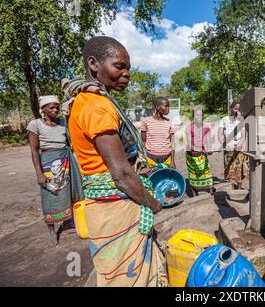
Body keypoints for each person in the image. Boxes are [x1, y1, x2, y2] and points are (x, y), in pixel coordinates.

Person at [63, 36, 167, 287]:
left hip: (104, 206)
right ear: (94, 64)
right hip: (115, 206)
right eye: (119, 66)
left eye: (128, 68)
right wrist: (152, 203)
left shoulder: (88, 101)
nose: (126, 74)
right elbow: (121, 174)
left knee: (117, 273)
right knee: (130, 277)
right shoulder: (96, 106)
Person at [27, 95, 74, 246]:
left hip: (64, 161)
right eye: (51, 107)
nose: (55, 110)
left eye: (57, 107)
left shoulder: (63, 123)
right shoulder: (35, 124)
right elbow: (34, 151)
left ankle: (66, 224)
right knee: (49, 195)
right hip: (47, 162)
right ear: (43, 109)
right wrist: (39, 174)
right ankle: (52, 231)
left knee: (66, 192)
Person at [140, 97, 175, 173]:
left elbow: (172, 143)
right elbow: (143, 142)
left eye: (169, 106)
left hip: (167, 158)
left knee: (165, 179)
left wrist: (172, 161)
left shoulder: (169, 122)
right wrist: (144, 161)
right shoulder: (146, 121)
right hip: (151, 158)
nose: (168, 108)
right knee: (153, 180)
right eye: (166, 106)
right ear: (157, 107)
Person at [219, 101, 249, 190]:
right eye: (235, 108)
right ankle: (232, 188)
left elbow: (244, 135)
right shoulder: (224, 120)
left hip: (239, 147)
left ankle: (239, 188)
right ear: (231, 108)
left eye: (238, 109)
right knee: (230, 169)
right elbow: (220, 134)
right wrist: (225, 144)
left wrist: (240, 145)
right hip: (229, 148)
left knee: (240, 168)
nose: (237, 110)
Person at [185, 107, 214, 195]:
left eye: (201, 115)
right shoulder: (189, 127)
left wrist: (209, 150)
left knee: (206, 173)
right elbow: (189, 144)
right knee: (193, 174)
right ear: (193, 116)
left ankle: (211, 192)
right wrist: (200, 150)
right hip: (192, 156)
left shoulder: (206, 128)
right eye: (197, 115)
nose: (199, 117)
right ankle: (194, 193)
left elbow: (208, 142)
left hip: (202, 155)